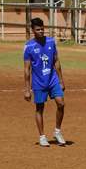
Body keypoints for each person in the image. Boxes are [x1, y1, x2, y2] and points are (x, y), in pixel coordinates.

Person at [23, 17, 66, 147]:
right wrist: (27, 89)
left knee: (61, 103)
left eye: (42, 29)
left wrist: (61, 80)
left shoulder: (51, 42)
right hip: (38, 82)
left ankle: (57, 132)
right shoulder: (29, 46)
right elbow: (27, 69)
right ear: (33, 31)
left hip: (52, 79)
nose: (41, 31)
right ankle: (42, 136)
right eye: (38, 29)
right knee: (40, 108)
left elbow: (56, 61)